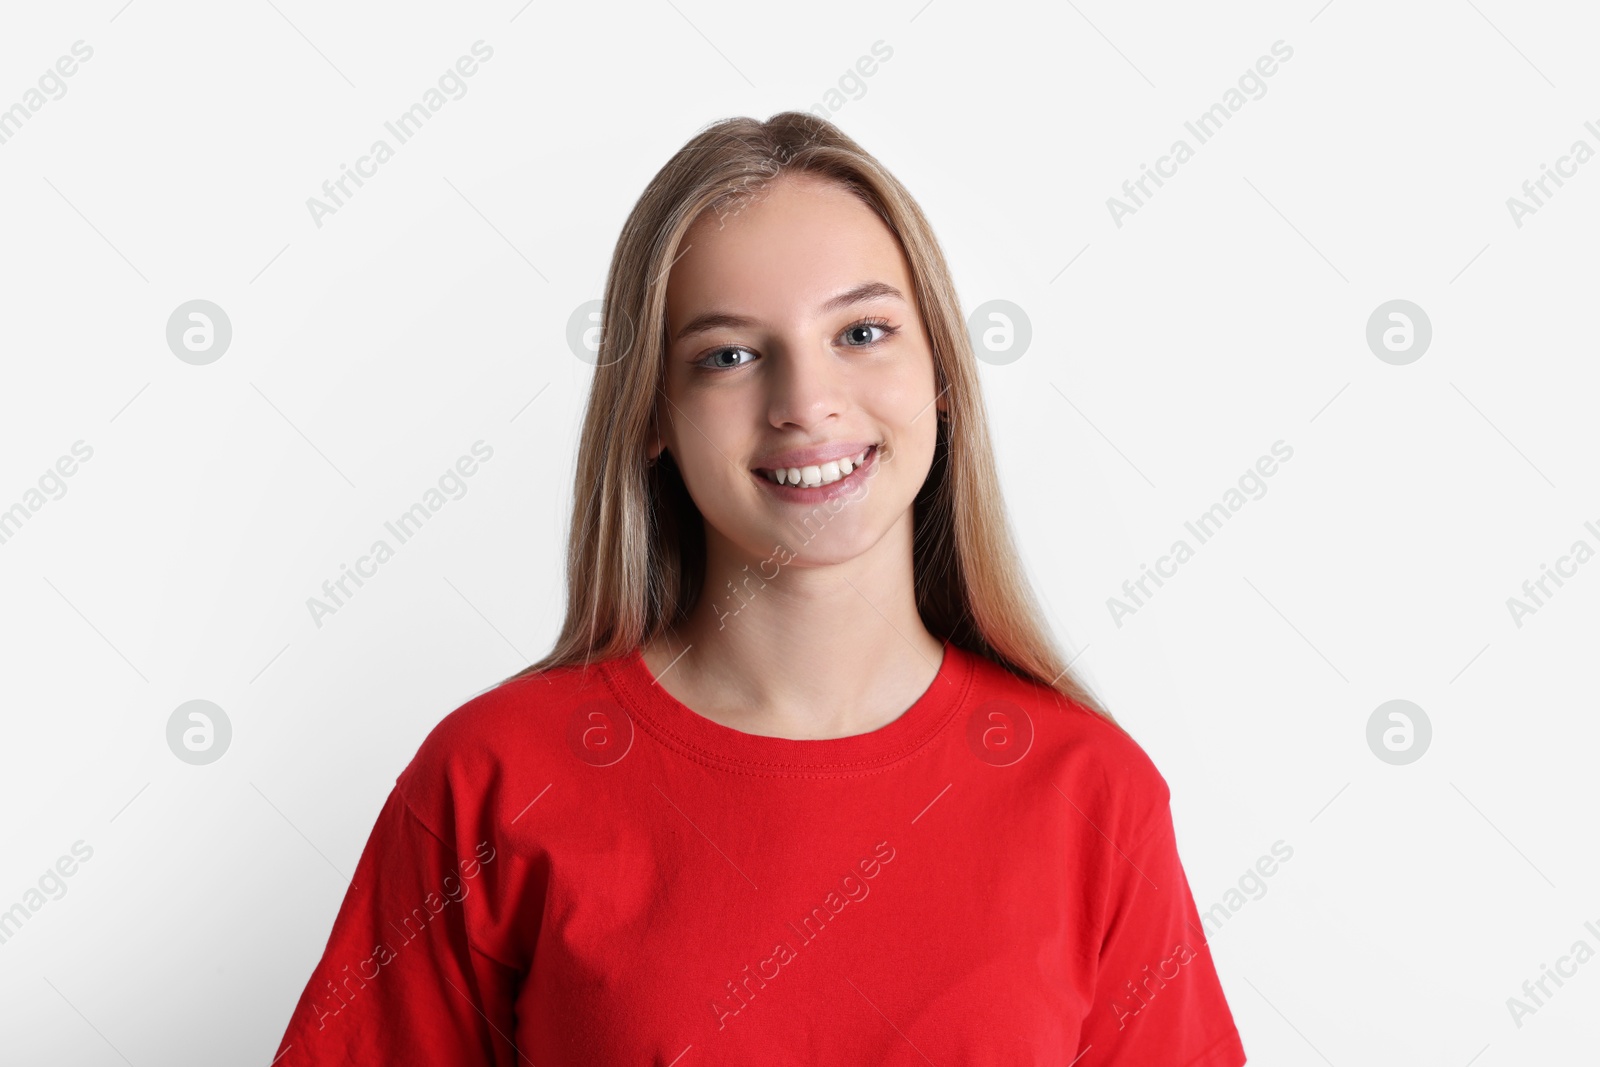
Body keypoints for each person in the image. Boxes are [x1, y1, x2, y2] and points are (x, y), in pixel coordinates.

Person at [272, 111, 1248, 1066]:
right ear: (652, 412)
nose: (805, 402)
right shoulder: (490, 779)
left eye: (862, 331)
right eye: (729, 355)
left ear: (942, 371)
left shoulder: (1093, 794)